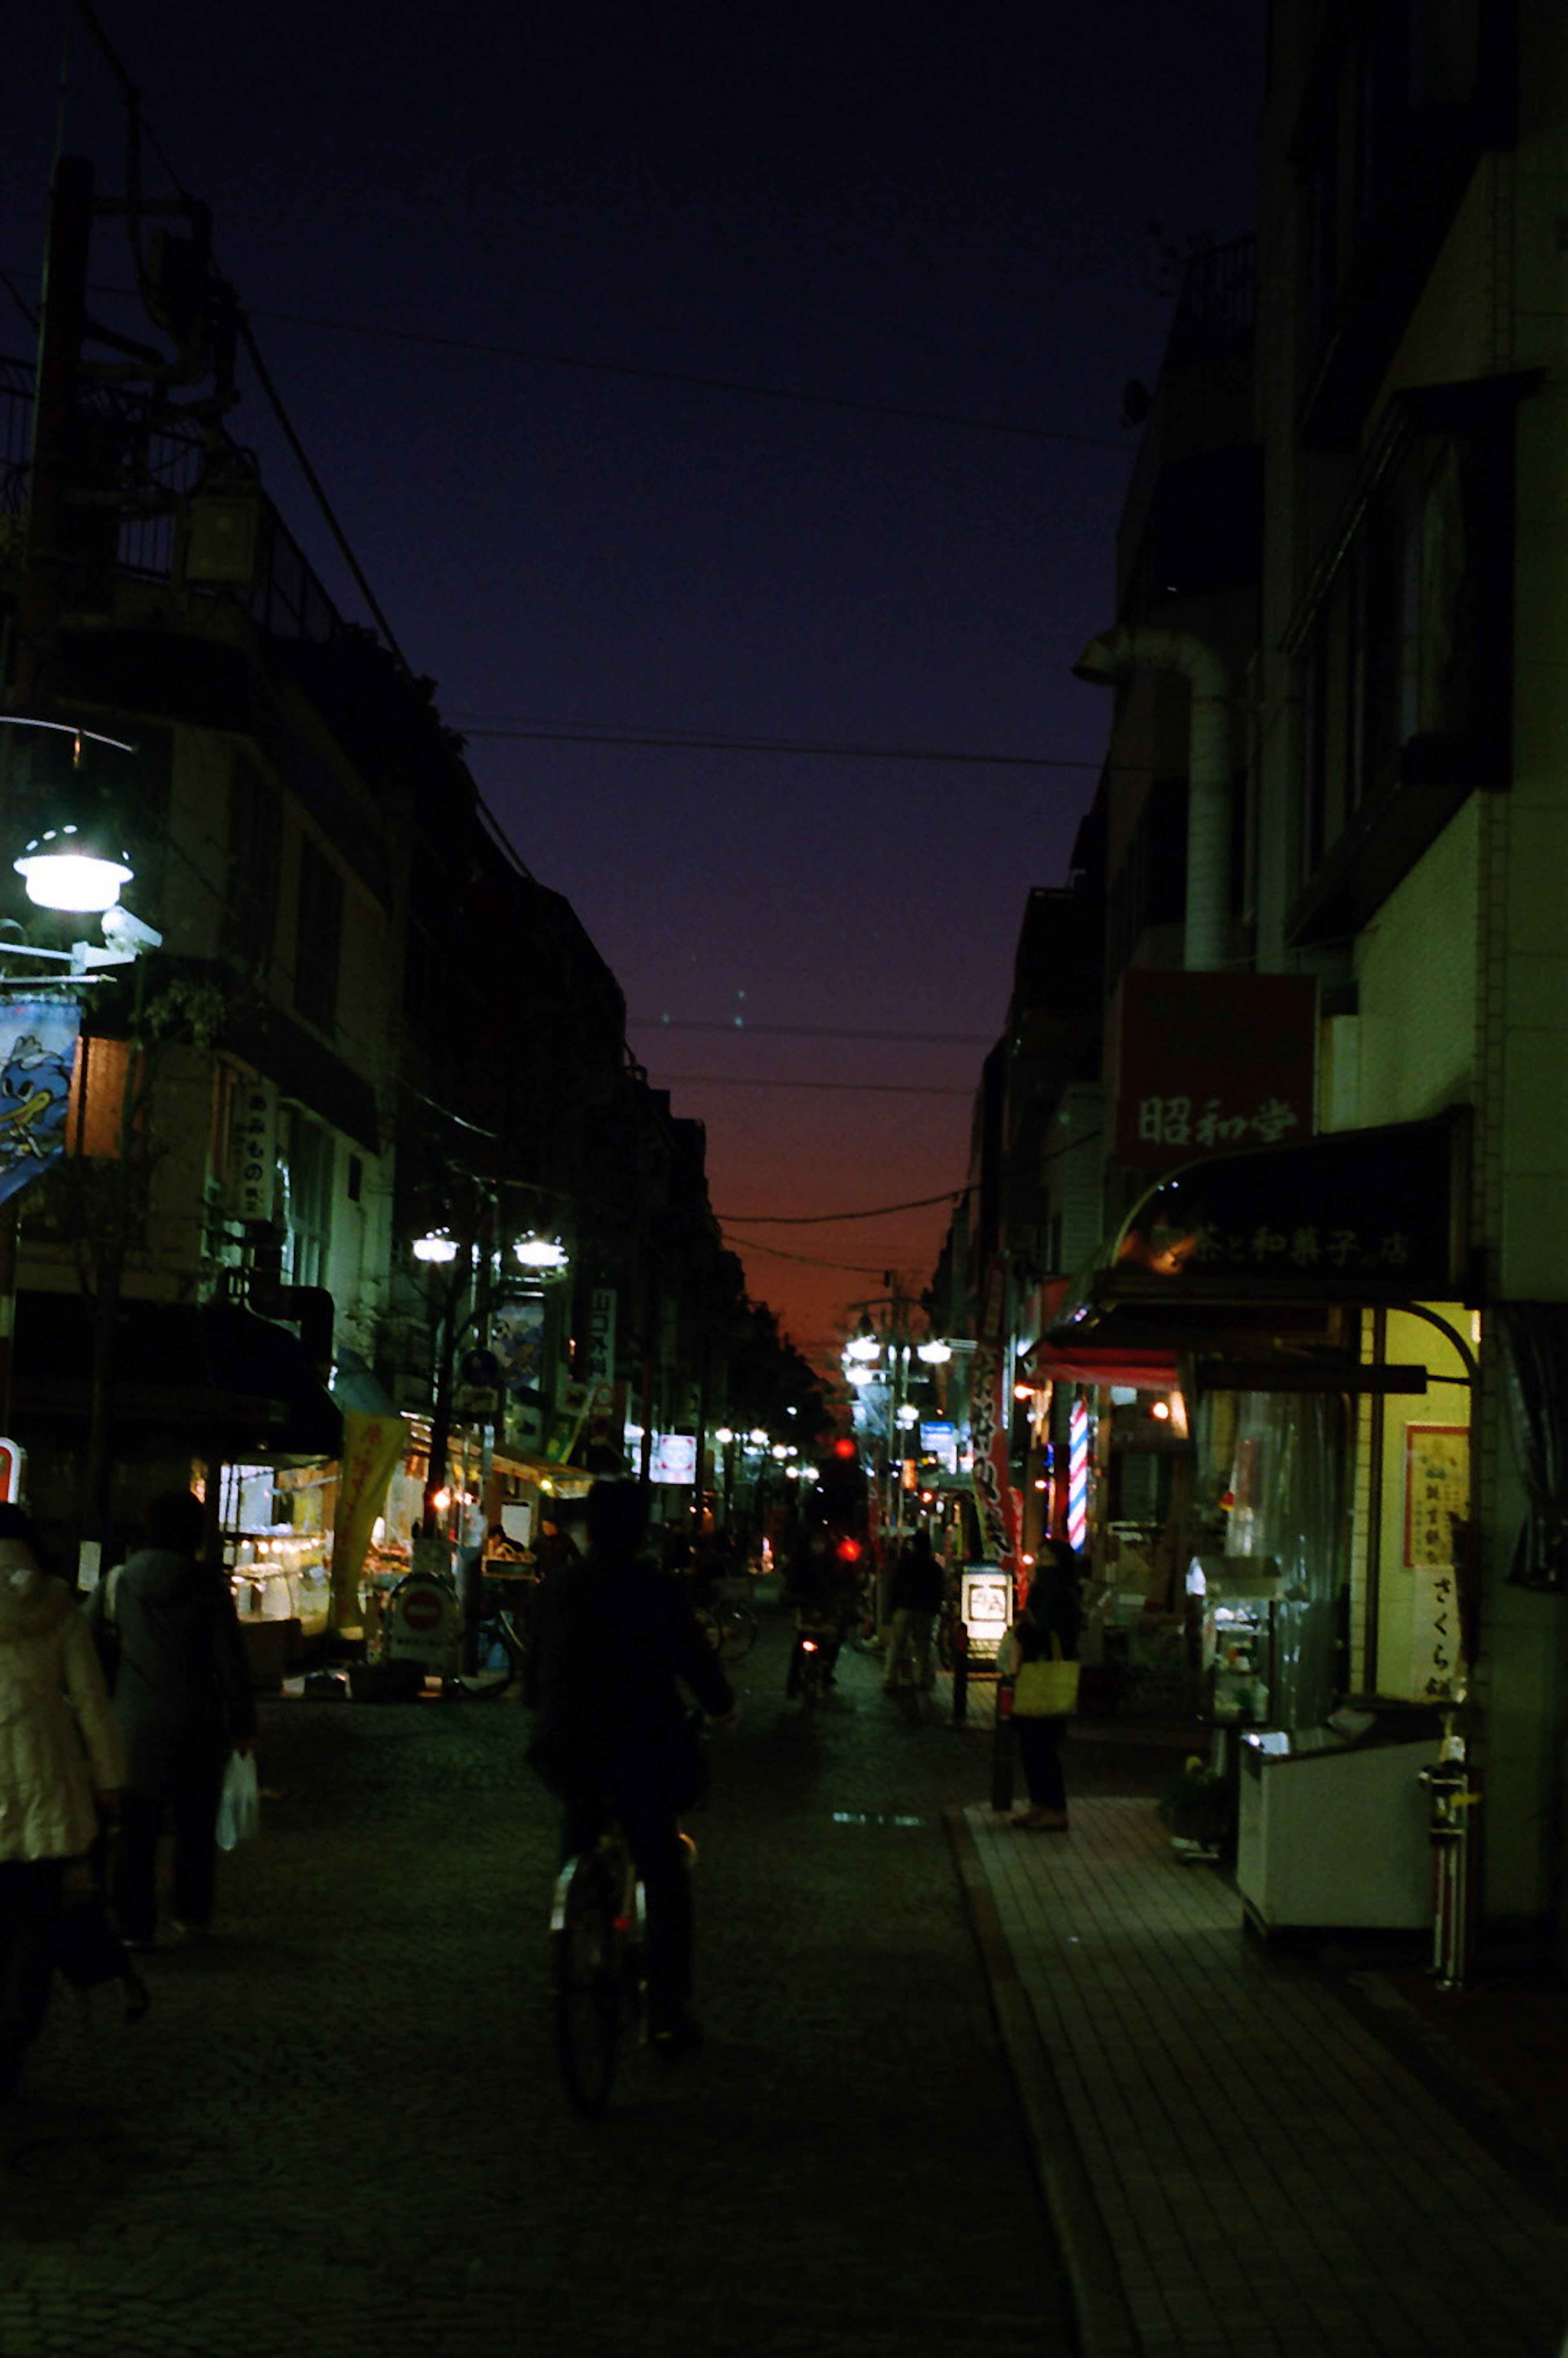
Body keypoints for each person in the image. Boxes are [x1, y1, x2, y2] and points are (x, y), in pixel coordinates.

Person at [525, 1479, 736, 2057]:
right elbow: (698, 1663)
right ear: (643, 1532)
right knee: (665, 1878)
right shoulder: (656, 1592)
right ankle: (667, 2013)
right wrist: (723, 1704)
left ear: (588, 1529)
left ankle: (576, 1920)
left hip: (570, 1749)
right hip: (642, 1751)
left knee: (579, 1834)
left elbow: (532, 1675)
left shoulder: (560, 1589)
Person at [91, 1489, 257, 1947]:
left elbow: (89, 1645)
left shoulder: (119, 1581)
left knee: (137, 1832)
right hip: (197, 1724)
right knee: (195, 1828)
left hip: (133, 1724)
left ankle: (133, 1924)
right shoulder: (208, 1586)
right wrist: (243, 1724)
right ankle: (190, 1913)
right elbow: (231, 1661)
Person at [0, 1502, 125, 2098]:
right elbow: (91, 1701)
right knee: (34, 1924)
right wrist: (108, 1780)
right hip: (46, 1785)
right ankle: (13, 2040)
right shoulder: (58, 1607)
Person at [1000, 1539, 1083, 1831]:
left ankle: (1055, 1808)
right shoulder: (1042, 1591)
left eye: (1050, 1559)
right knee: (1030, 1747)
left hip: (1048, 1674)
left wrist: (1031, 1629)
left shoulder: (1064, 1594)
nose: (1044, 1564)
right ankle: (1039, 1804)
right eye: (1042, 1557)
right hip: (1032, 1674)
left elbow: (1053, 1633)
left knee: (1045, 1747)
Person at [882, 1528, 945, 1694]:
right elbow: (939, 1590)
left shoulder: (904, 1563)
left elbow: (894, 1586)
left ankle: (890, 1680)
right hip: (925, 1611)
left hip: (904, 1608)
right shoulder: (934, 1567)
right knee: (922, 1648)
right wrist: (935, 1609)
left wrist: (891, 1610)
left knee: (897, 1646)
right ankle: (920, 1681)